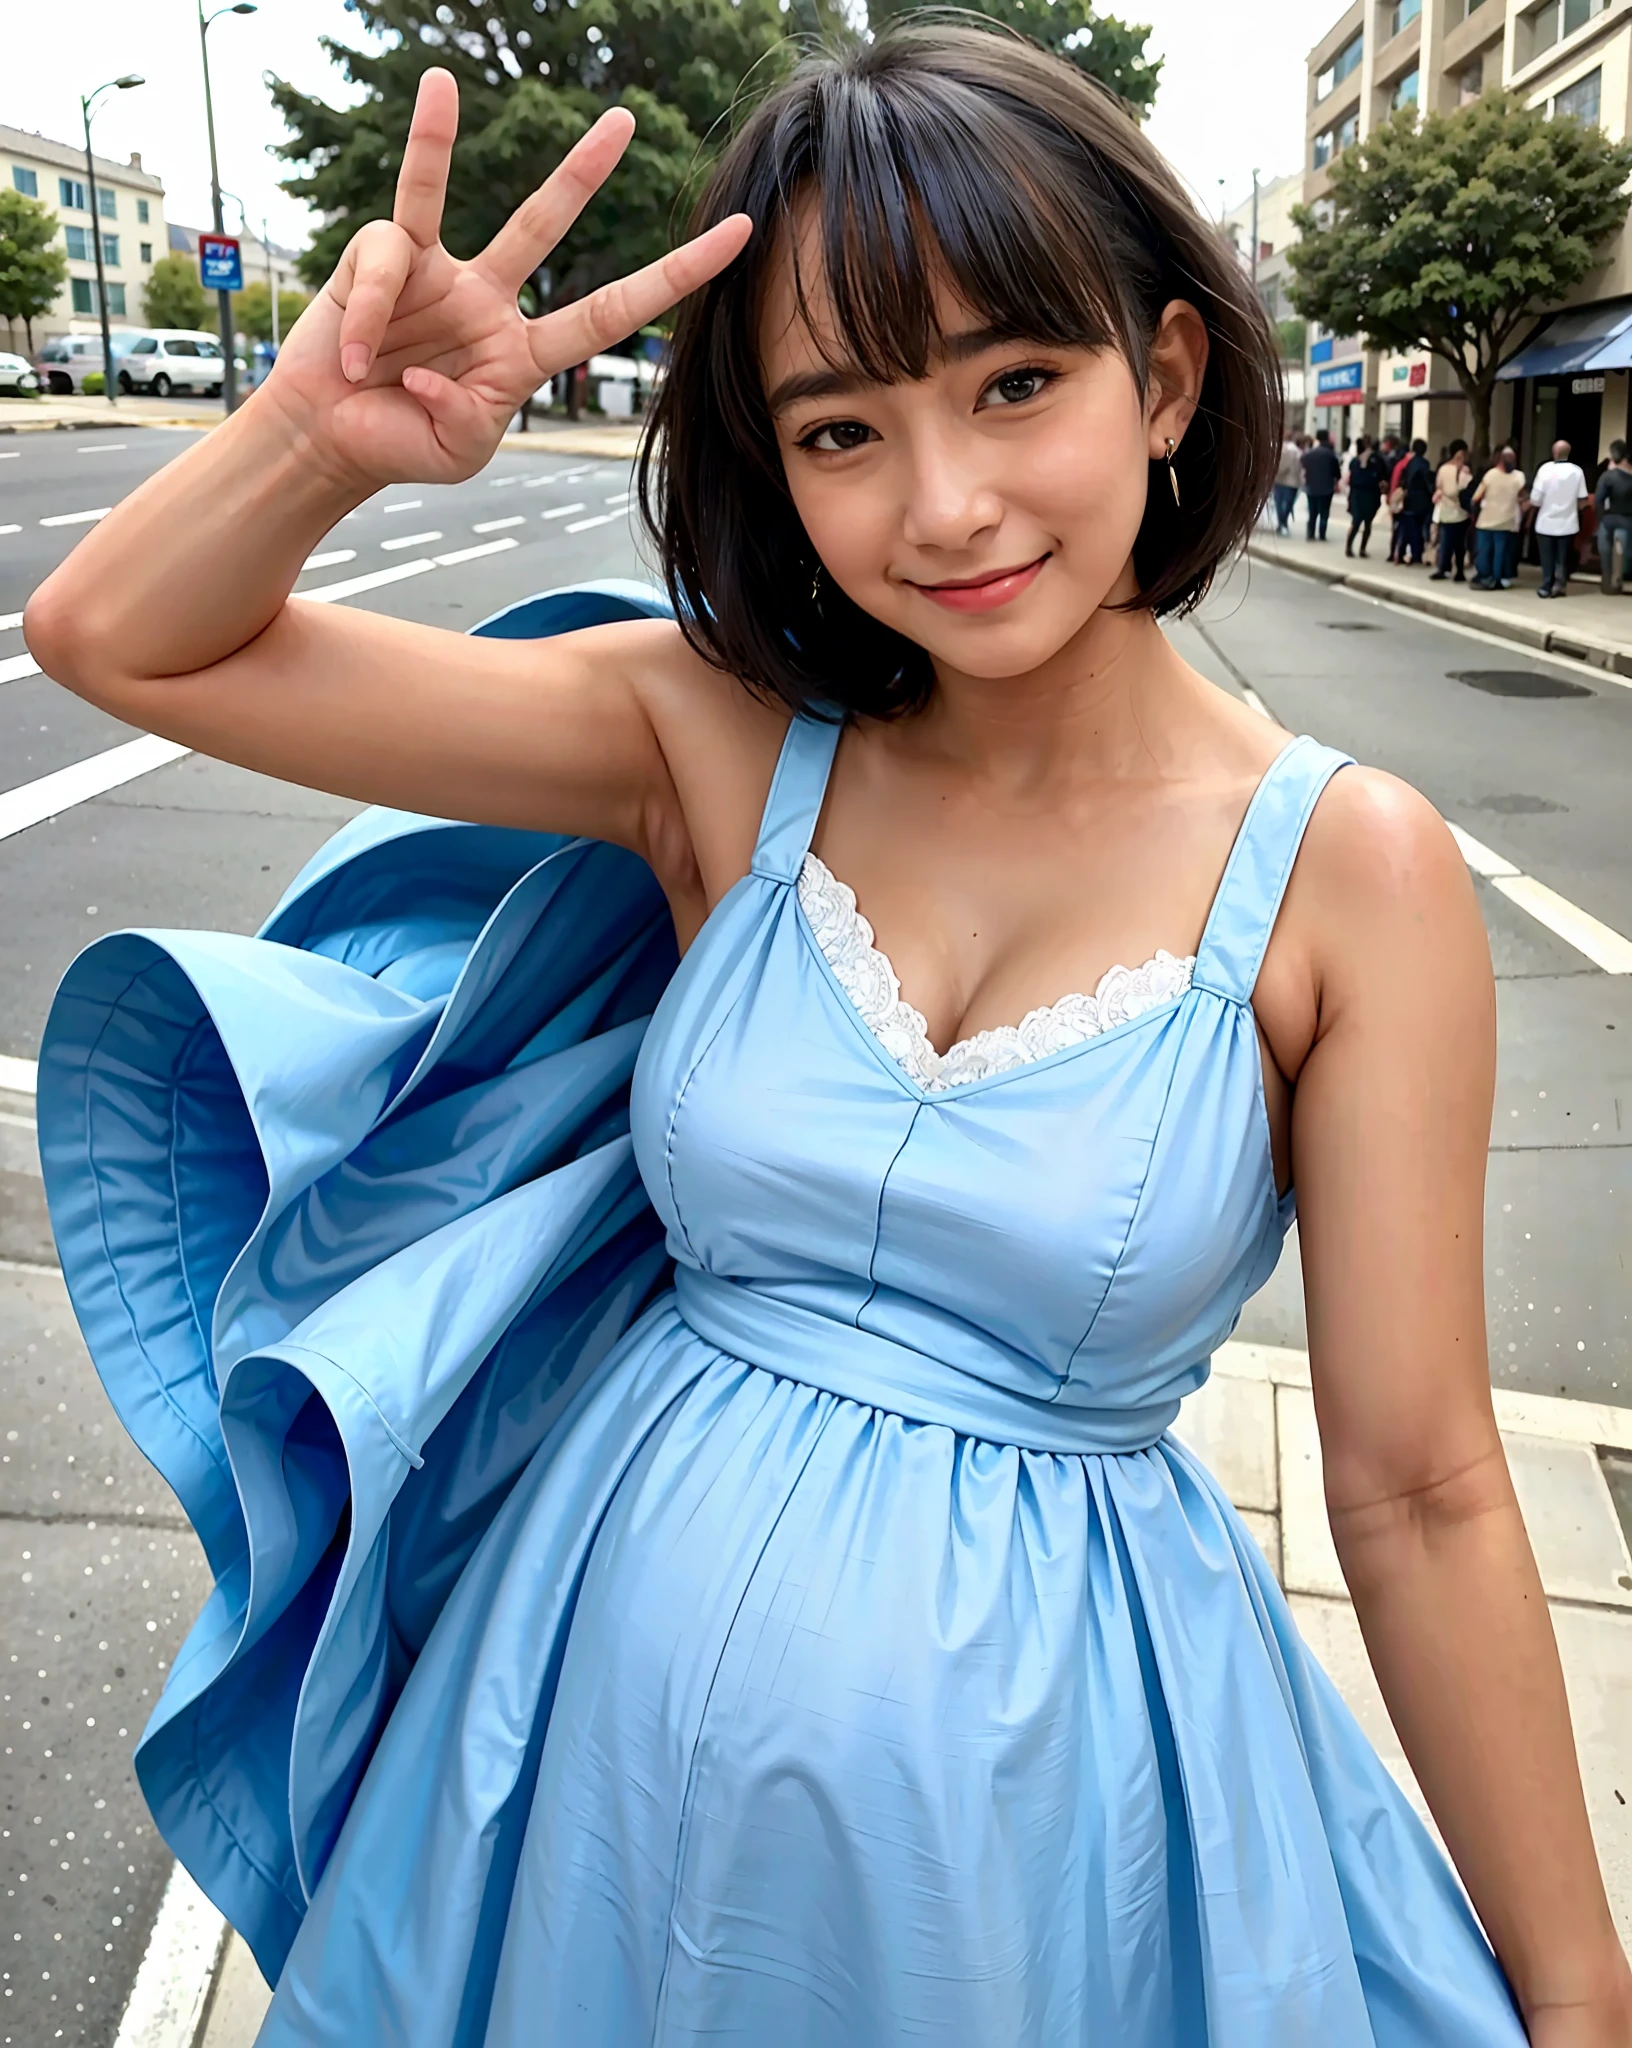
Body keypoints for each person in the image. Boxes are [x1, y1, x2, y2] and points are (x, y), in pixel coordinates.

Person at [22, 33, 1632, 2047]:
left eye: (1013, 385)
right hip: (578, 1734)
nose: (943, 503)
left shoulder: (1344, 875)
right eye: (840, 428)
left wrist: (1581, 1994)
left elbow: (1417, 1482)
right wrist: (330, 435)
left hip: (1033, 1819)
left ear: (1168, 376)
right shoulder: (716, 743)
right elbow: (120, 638)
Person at [1528, 437, 1590, 599]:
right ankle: (1560, 584)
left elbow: (1535, 499)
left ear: (1554, 452)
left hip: (1546, 522)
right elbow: (1582, 499)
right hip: (1568, 522)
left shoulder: (1545, 470)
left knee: (1547, 557)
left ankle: (1546, 585)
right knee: (1562, 557)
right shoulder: (1577, 471)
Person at [1471, 447, 1528, 589]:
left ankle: (1485, 576)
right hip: (1507, 520)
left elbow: (1476, 497)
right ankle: (1497, 578)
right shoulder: (1519, 477)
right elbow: (1523, 496)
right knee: (1500, 552)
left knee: (1484, 550)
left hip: (1487, 520)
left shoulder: (1490, 475)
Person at [1430, 437, 1473, 582]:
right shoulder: (1464, 470)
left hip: (1446, 511)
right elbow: (1464, 490)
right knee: (1459, 544)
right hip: (1460, 513)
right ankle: (1459, 571)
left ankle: (1444, 568)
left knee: (1446, 542)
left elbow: (1439, 487)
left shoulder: (1443, 468)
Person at [1595, 437, 1632, 586]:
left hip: (1609, 519)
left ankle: (1607, 579)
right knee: (1624, 553)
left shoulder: (1607, 477)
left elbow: (1599, 499)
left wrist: (1601, 519)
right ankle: (1619, 576)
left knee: (1605, 550)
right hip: (1628, 520)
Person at [1394, 436, 1435, 565]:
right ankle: (1416, 554)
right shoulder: (1424, 464)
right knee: (1418, 530)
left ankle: (1400, 553)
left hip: (1409, 499)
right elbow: (1427, 482)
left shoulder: (1409, 463)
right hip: (1421, 500)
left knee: (1407, 529)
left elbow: (1404, 480)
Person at [1343, 432, 1385, 556]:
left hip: (1362, 494)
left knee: (1360, 522)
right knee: (1362, 523)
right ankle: (1356, 548)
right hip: (1366, 494)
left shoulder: (1360, 461)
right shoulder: (1374, 460)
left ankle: (1354, 548)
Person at [1300, 425, 1341, 541]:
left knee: (1312, 513)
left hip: (1311, 487)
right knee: (1324, 512)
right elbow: (1337, 473)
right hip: (1327, 488)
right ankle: (1322, 534)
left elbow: (1303, 465)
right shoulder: (1331, 455)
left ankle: (1310, 533)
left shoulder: (1310, 454)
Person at [1273, 429, 1302, 535]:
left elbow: (1281, 466)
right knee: (1287, 503)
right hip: (1292, 482)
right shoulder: (1296, 450)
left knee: (1280, 503)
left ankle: (1282, 523)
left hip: (1281, 481)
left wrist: (1276, 474)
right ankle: (1283, 523)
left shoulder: (1284, 449)